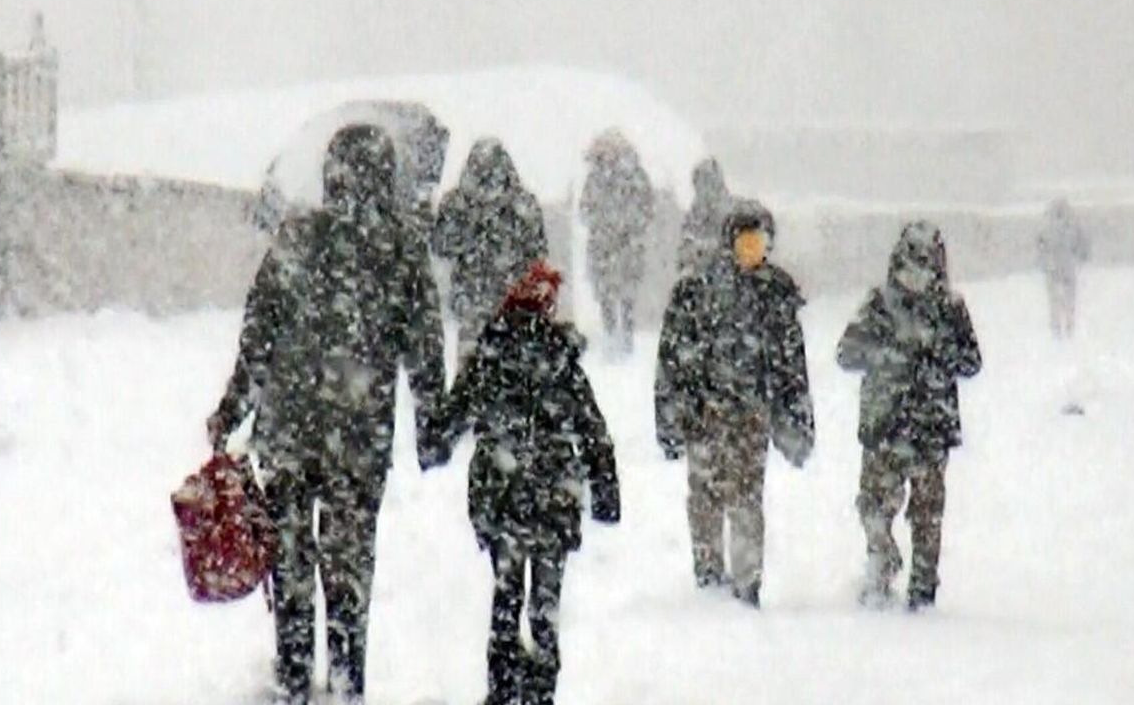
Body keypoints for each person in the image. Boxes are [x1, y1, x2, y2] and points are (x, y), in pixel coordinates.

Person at [207, 125, 447, 704]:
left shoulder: (297, 238)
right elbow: (425, 347)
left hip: (289, 433)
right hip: (359, 439)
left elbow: (258, 335)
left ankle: (293, 678)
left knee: (290, 562)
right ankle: (346, 682)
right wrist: (432, 423)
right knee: (348, 568)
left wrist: (233, 408)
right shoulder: (401, 251)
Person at [431, 260, 621, 705]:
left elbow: (452, 417)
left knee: (506, 595)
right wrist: (605, 488)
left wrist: (434, 442)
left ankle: (501, 689)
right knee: (545, 605)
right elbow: (592, 428)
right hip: (554, 498)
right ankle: (540, 690)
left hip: (501, 498)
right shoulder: (561, 359)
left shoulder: (490, 355)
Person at [654, 200, 815, 607]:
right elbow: (672, 359)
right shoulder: (697, 290)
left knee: (745, 499)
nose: (752, 253)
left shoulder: (775, 294)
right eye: (745, 244)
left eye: (759, 244)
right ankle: (708, 577)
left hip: (750, 418)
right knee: (704, 497)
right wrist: (671, 415)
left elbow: (791, 366)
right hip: (704, 413)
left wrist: (795, 419)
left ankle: (747, 585)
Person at [837, 221, 982, 611]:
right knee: (873, 507)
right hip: (885, 426)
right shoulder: (879, 304)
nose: (917, 275)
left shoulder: (950, 309)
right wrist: (888, 354)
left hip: (931, 428)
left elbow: (971, 361)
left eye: (926, 265)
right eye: (910, 264)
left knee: (927, 515)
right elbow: (846, 353)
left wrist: (935, 356)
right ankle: (882, 565)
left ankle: (923, 588)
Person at [432, 138, 548, 355]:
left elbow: (440, 245)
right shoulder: (523, 205)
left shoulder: (457, 203)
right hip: (511, 306)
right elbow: (538, 252)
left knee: (471, 373)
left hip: (474, 302)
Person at [580, 129, 654, 354]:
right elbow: (585, 209)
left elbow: (646, 207)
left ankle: (626, 336)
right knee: (606, 294)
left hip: (625, 245)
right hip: (605, 246)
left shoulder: (634, 176)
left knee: (626, 293)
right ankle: (611, 334)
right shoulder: (595, 178)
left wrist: (624, 226)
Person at [1036, 198, 1091, 339]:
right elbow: (1082, 245)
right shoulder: (1072, 226)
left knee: (1054, 301)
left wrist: (1042, 264)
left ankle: (1057, 328)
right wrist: (1082, 257)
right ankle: (1069, 326)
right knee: (1069, 300)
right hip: (1067, 267)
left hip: (1053, 268)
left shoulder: (1045, 227)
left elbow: (1040, 247)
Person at [676, 157, 733, 275]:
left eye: (710, 183)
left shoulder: (732, 212)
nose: (706, 190)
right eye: (701, 184)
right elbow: (685, 249)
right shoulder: (692, 217)